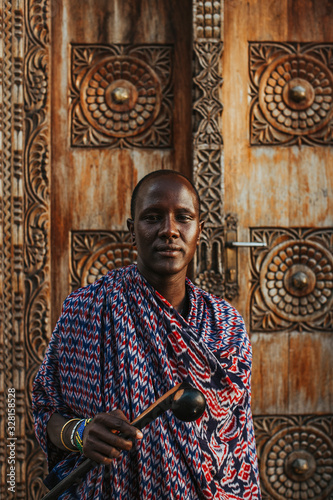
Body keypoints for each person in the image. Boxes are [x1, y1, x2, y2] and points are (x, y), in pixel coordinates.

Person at [33, 170, 261, 499]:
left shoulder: (225, 325)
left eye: (183, 218)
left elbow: (236, 440)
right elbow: (46, 408)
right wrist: (82, 433)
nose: (169, 230)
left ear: (200, 232)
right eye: (152, 217)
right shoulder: (88, 310)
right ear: (132, 231)